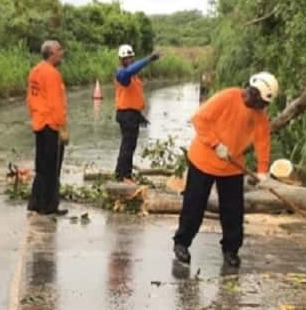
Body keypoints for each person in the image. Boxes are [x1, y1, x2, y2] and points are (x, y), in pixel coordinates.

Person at [172, 72, 279, 269]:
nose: (262, 107)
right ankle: (182, 243)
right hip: (203, 160)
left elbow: (263, 141)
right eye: (261, 102)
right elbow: (199, 119)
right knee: (194, 205)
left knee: (233, 211)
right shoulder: (228, 97)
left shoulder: (259, 116)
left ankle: (231, 250)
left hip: (232, 166)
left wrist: (263, 171)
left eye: (265, 104)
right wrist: (215, 144)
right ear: (254, 93)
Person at [26, 40, 68, 216]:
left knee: (41, 167)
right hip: (51, 124)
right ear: (51, 54)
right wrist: (62, 128)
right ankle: (49, 207)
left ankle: (35, 203)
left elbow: (30, 98)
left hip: (39, 122)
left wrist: (35, 116)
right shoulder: (52, 74)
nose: (62, 53)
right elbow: (56, 104)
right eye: (59, 50)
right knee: (52, 168)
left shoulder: (35, 71)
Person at [113, 44, 161, 183]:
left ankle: (123, 173)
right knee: (127, 146)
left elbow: (132, 98)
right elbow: (129, 71)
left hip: (131, 114)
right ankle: (123, 175)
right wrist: (149, 59)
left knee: (129, 145)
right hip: (126, 115)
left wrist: (140, 116)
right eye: (127, 58)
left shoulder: (133, 77)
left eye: (131, 58)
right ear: (122, 60)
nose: (130, 60)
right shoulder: (122, 74)